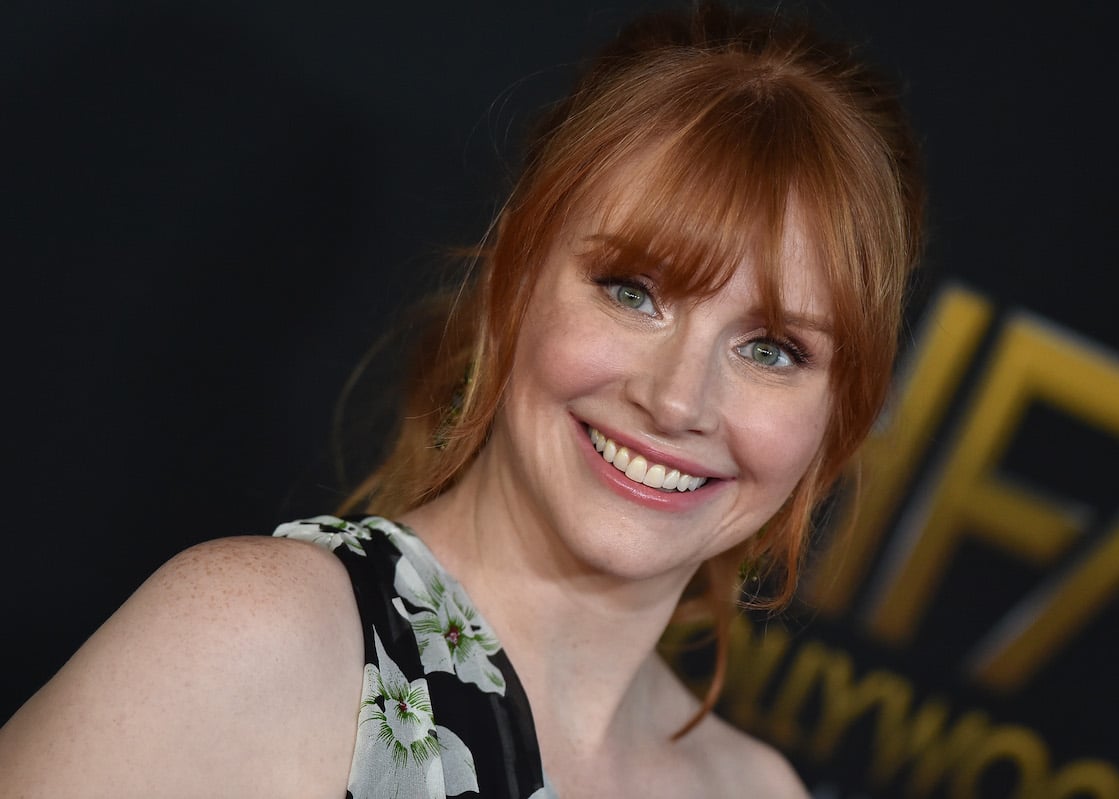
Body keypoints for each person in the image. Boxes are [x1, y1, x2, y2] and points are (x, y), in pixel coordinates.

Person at [0, 2, 922, 796]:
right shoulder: (263, 644)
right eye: (632, 290)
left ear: (837, 416)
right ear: (516, 277)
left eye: (772, 348)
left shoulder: (759, 789)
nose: (679, 399)